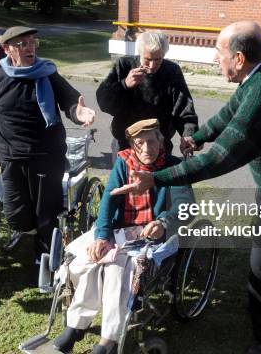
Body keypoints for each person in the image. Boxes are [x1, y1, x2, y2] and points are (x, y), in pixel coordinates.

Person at [111, 21, 261, 354]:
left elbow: (220, 160)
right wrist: (195, 137)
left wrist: (157, 177)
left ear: (239, 58)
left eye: (219, 51)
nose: (215, 58)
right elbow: (229, 114)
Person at [52, 119, 191, 354]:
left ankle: (108, 340)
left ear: (161, 141)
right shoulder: (124, 163)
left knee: (114, 269)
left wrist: (163, 221)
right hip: (123, 230)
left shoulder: (174, 166)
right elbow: (109, 199)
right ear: (132, 146)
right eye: (140, 143)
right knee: (87, 260)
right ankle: (77, 326)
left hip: (157, 234)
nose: (147, 148)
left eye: (151, 141)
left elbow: (185, 205)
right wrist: (102, 236)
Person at [0, 26, 96, 264]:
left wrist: (80, 112)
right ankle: (31, 236)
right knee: (16, 215)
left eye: (33, 42)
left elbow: (70, 102)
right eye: (22, 44)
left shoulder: (48, 74)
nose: (30, 48)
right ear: (7, 49)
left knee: (46, 213)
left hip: (45, 155)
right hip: (11, 156)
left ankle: (44, 260)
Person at [96, 31, 198, 156]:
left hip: (159, 144)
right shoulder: (124, 66)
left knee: (160, 176)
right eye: (148, 59)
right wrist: (124, 85)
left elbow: (183, 107)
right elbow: (103, 102)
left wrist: (189, 134)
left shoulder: (171, 71)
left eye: (158, 59)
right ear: (139, 53)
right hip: (126, 143)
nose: (152, 65)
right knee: (124, 175)